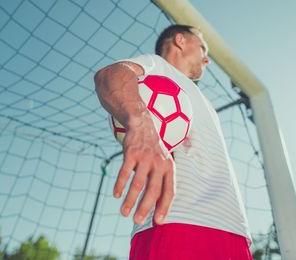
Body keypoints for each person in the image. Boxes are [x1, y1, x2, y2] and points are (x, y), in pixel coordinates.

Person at [94, 24, 252, 259]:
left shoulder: (196, 97)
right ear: (180, 40)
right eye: (202, 48)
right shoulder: (157, 66)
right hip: (178, 224)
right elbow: (110, 75)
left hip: (234, 233)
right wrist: (140, 124)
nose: (207, 59)